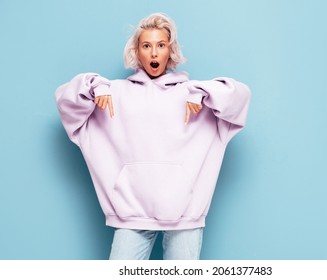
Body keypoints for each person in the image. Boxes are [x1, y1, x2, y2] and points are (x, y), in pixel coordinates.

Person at [55, 13, 251, 260]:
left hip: (185, 215)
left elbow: (240, 96)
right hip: (132, 212)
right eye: (147, 46)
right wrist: (93, 86)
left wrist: (203, 92)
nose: (154, 53)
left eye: (161, 45)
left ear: (171, 50)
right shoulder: (114, 92)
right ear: (137, 51)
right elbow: (65, 100)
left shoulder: (192, 94)